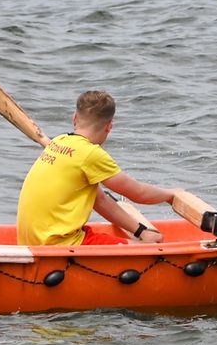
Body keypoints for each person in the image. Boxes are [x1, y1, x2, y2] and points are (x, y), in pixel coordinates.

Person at [16, 90, 177, 246]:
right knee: (145, 249)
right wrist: (172, 195)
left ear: (74, 118)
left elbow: (100, 200)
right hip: (60, 243)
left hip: (32, 240)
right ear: (109, 126)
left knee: (136, 241)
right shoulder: (91, 154)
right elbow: (138, 193)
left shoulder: (59, 141)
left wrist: (141, 231)